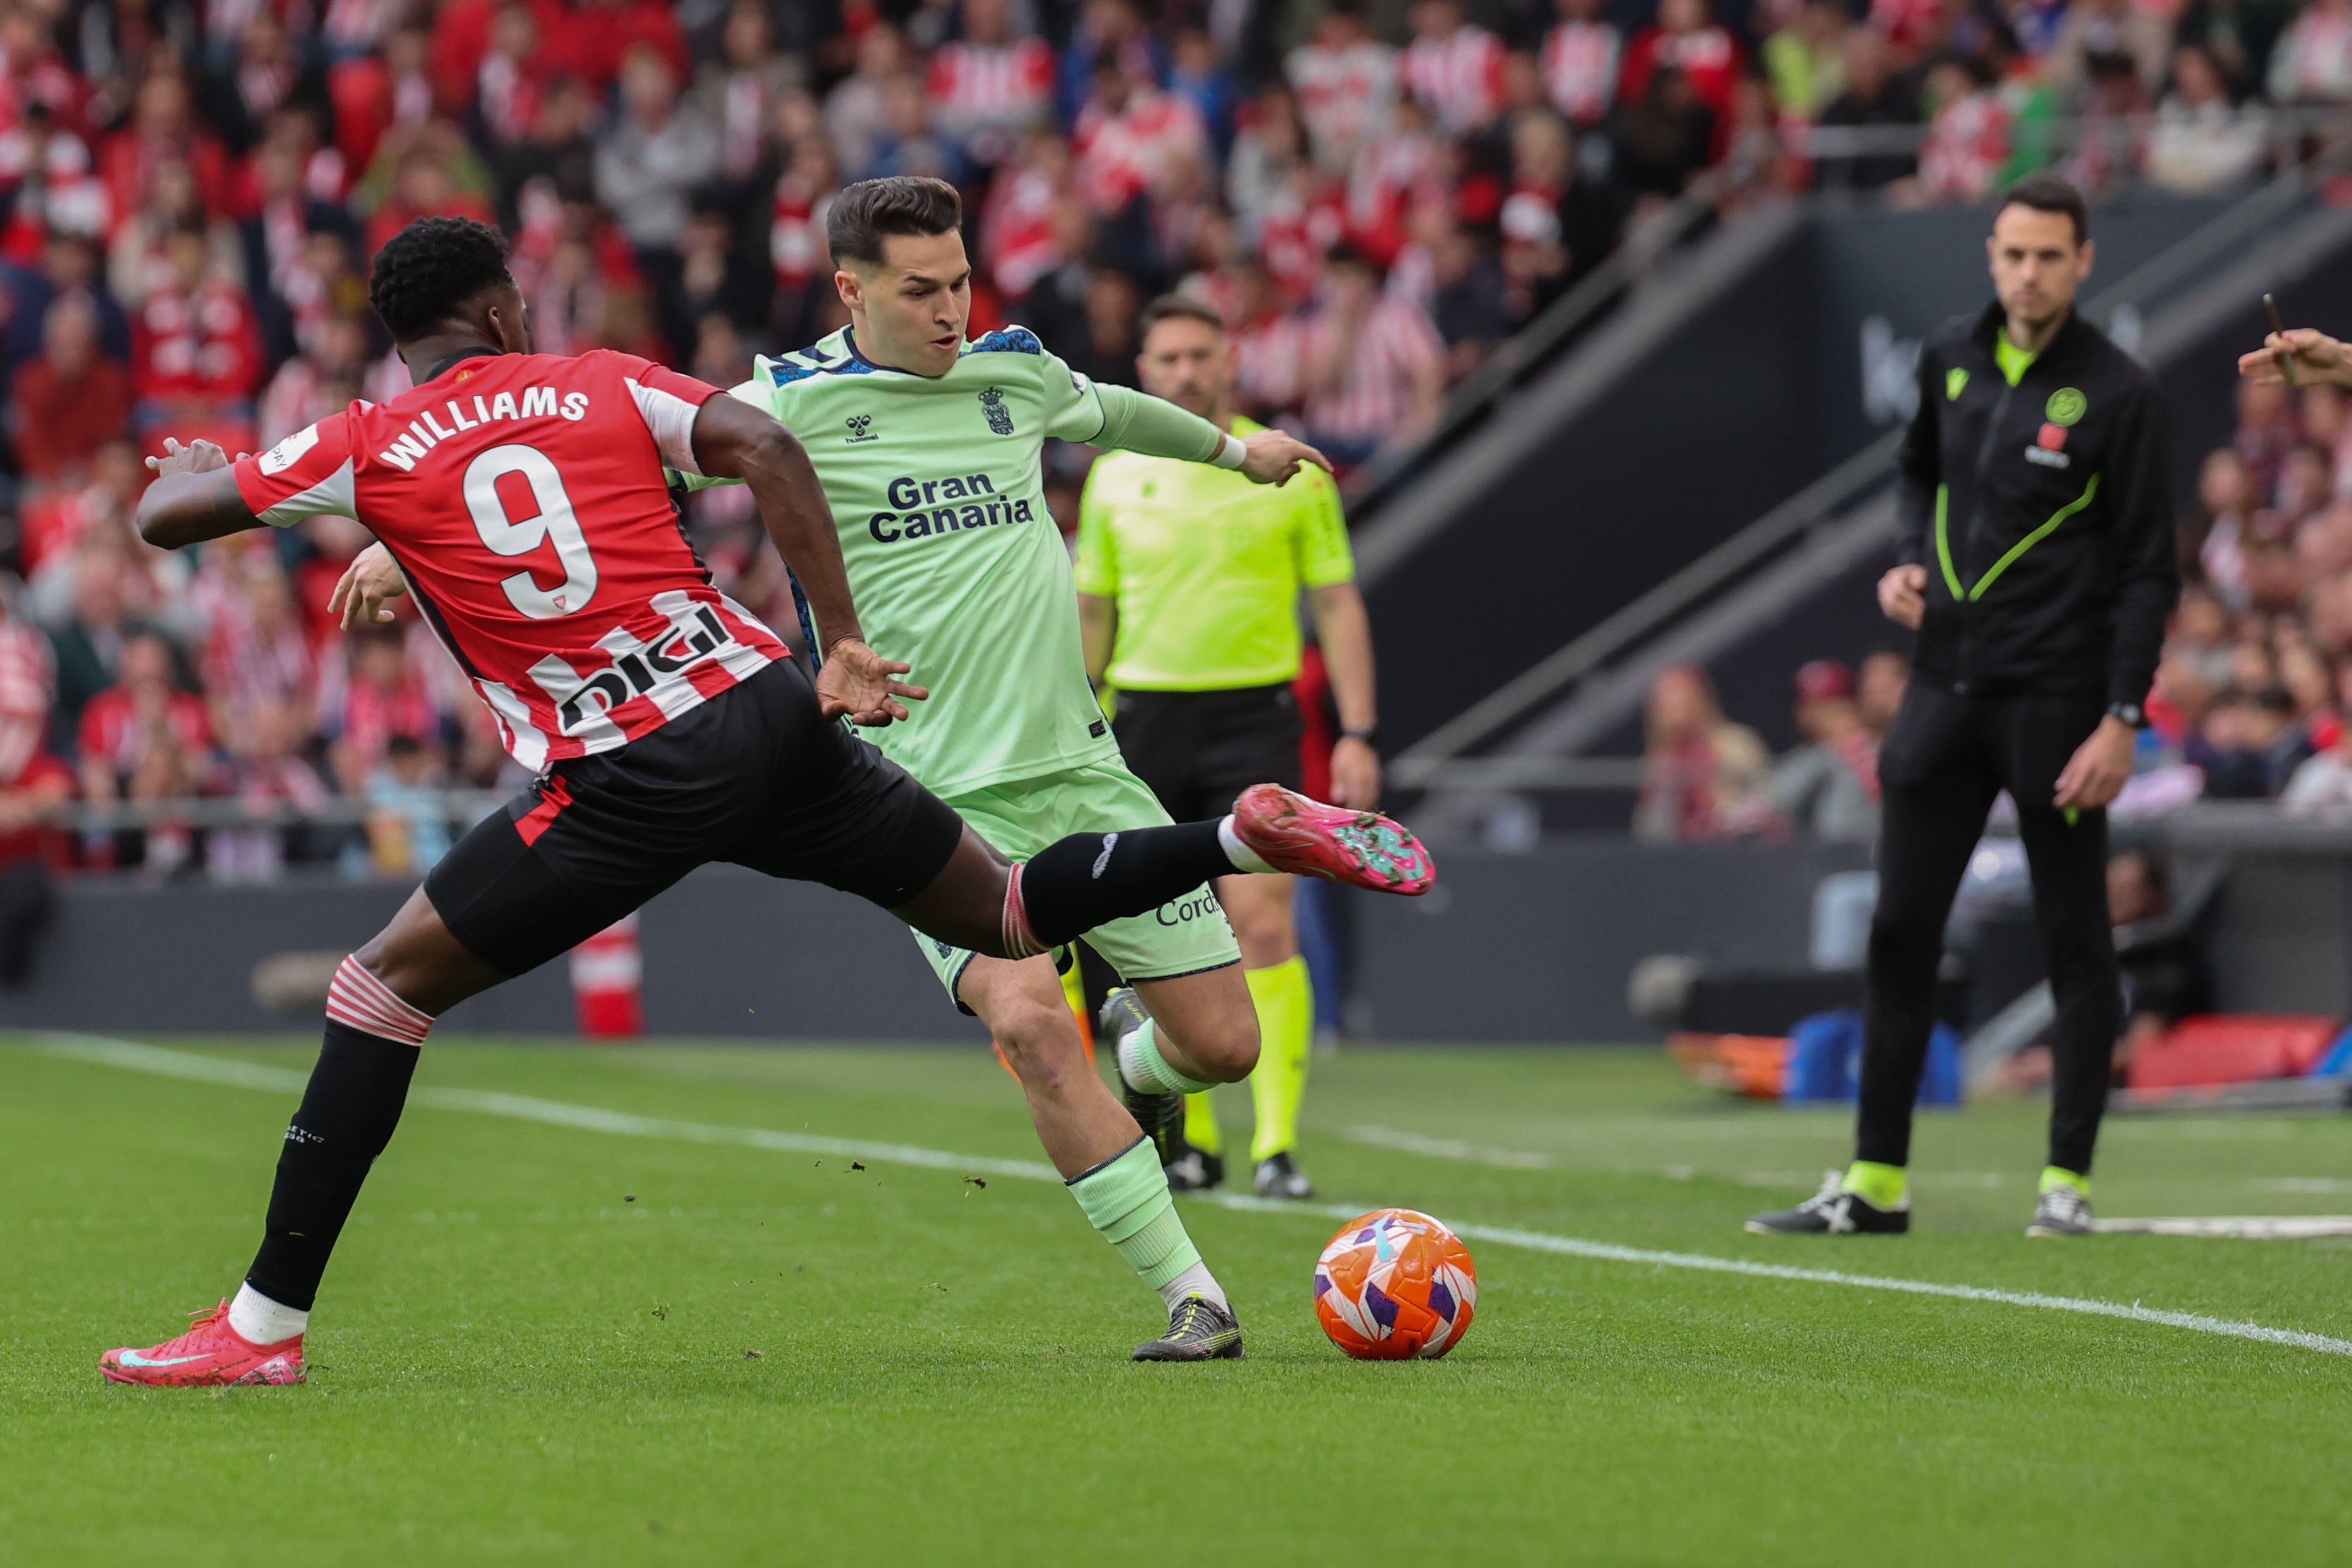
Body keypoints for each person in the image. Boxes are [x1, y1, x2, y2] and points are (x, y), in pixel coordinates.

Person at [99, 215, 1436, 1389]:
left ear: (398, 340)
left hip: (625, 771)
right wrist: (838, 641)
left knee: (381, 987)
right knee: (1016, 915)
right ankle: (1232, 833)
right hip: (770, 711)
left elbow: (170, 520)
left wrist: (196, 465)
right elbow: (756, 444)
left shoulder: (364, 439)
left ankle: (263, 1323)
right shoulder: (601, 379)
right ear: (506, 308)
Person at [1749, 173, 2177, 1241]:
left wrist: (2121, 717)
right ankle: (1874, 1181)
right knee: (1898, 928)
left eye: (2049, 257)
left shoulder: (2119, 393)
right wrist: (1902, 562)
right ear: (1990, 255)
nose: (2028, 274)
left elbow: (2146, 573)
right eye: (2013, 254)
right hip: (1941, 687)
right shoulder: (1948, 358)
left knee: (2076, 935)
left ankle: (2064, 1185)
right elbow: (1913, 480)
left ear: (2084, 263)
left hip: (2055, 699)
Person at [1074, 295, 1381, 1200]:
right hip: (1143, 721)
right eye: (1165, 358)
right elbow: (1094, 609)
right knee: (1161, 937)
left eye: (1197, 355)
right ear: (1143, 368)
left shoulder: (1289, 469)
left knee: (1263, 922)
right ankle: (1195, 1140)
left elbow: (1338, 603)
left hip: (1255, 719)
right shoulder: (1115, 475)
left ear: (1228, 361)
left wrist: (1358, 730)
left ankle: (1276, 1147)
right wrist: (1081, 715)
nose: (1182, 372)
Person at [1767, 658, 1881, 842]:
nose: (1819, 715)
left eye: (1832, 705)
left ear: (1852, 706)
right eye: (1812, 706)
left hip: (1868, 851)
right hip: (1818, 859)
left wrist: (1854, 748)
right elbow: (1779, 802)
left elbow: (1844, 827)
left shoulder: (1877, 749)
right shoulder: (1802, 760)